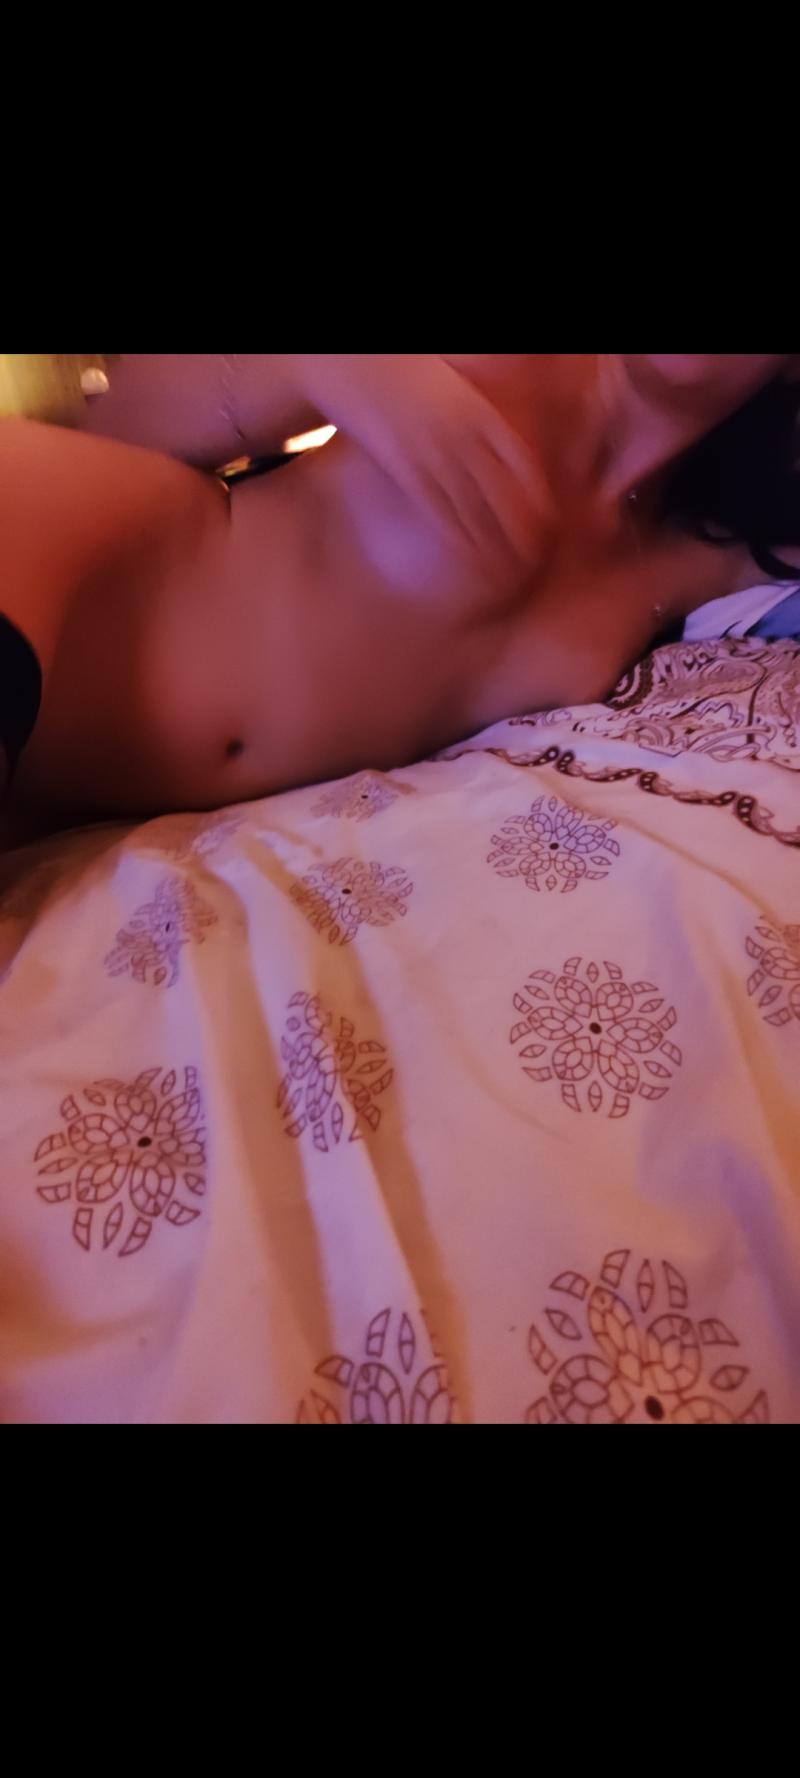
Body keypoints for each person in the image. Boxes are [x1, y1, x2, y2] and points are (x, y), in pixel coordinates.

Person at [1, 353, 797, 837]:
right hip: (54, 559)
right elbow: (109, 420)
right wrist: (328, 367)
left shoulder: (699, 559)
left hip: (76, 795)